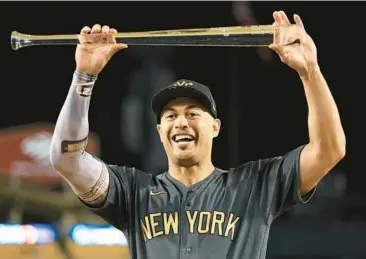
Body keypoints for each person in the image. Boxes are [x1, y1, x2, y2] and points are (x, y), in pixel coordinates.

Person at [49, 10, 346, 259]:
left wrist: (310, 71)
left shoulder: (255, 187)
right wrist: (84, 77)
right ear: (160, 131)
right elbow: (66, 159)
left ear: (215, 127)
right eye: (170, 116)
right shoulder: (132, 193)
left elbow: (329, 150)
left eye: (192, 114)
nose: (180, 122)